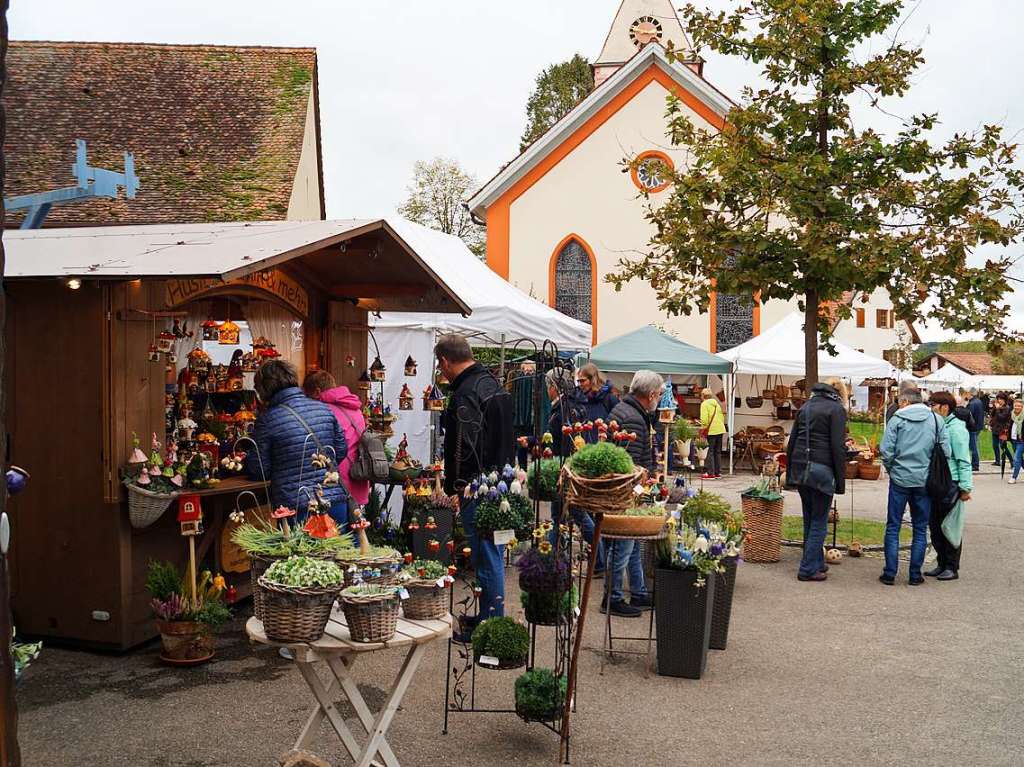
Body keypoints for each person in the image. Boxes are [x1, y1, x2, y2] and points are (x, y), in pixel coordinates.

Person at [435, 334, 513, 623]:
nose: (441, 372)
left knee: (487, 556)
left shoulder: (467, 391)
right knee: (492, 553)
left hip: (478, 487)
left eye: (440, 365)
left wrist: (457, 484)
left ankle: (490, 623)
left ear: (445, 360)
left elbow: (464, 447)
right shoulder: (493, 385)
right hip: (500, 482)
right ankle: (488, 616)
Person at [246, 359, 349, 524]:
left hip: (296, 506)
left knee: (301, 550)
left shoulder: (267, 420)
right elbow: (341, 451)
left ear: (264, 389)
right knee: (338, 550)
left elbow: (259, 470)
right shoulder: (324, 409)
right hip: (335, 499)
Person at [604, 370, 663, 617]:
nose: (659, 398)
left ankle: (638, 591)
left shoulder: (626, 410)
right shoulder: (633, 419)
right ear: (650, 395)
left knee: (632, 544)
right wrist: (644, 487)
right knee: (623, 545)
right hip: (625, 491)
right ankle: (613, 598)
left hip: (624, 489)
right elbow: (630, 464)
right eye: (659, 394)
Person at [879, 388, 950, 585]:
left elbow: (886, 450)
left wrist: (893, 469)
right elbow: (946, 450)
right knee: (920, 528)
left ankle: (890, 573)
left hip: (900, 478)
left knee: (893, 526)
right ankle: (915, 574)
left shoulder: (897, 420)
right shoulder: (936, 420)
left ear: (904, 402)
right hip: (924, 480)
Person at [784, 378, 848, 582]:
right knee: (820, 521)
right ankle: (807, 569)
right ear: (840, 394)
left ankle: (815, 561)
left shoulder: (806, 407)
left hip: (802, 468)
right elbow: (837, 447)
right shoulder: (836, 409)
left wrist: (791, 471)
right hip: (822, 470)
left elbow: (792, 441)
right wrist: (840, 480)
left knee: (810, 519)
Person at [546, 366, 605, 572]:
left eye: (548, 386)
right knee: (561, 515)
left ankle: (599, 559)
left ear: (555, 387)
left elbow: (566, 438)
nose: (547, 391)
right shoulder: (573, 403)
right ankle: (553, 557)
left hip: (567, 469)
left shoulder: (565, 407)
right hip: (568, 467)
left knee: (575, 514)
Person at [302, 370, 370, 507]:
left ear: (316, 391)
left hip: (337, 481)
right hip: (359, 474)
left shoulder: (323, 410)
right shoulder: (354, 407)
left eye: (307, 396)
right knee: (357, 524)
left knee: (336, 527)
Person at [927, 391, 972, 580]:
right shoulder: (939, 426)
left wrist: (965, 487)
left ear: (944, 407)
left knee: (949, 526)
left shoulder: (956, 429)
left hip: (951, 483)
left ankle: (952, 567)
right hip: (937, 481)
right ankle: (941, 562)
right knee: (935, 524)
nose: (931, 409)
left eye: (934, 405)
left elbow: (963, 460)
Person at [699, 388, 726, 479]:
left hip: (712, 430)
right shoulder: (716, 404)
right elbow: (722, 417)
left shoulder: (704, 404)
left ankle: (710, 473)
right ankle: (718, 472)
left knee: (710, 452)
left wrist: (703, 428)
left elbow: (704, 419)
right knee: (717, 452)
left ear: (703, 396)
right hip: (720, 429)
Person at [989, 393, 1011, 467]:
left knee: (1003, 446)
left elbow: (1002, 418)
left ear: (1005, 400)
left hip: (1003, 431)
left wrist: (998, 409)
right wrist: (994, 408)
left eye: (1001, 399)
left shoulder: (1007, 408)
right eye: (998, 399)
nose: (999, 400)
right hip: (995, 429)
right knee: (995, 445)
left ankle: (1012, 461)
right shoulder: (997, 406)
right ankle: (997, 461)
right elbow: (992, 415)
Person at [965, 387, 985, 471]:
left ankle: (975, 465)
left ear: (970, 394)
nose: (966, 395)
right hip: (978, 426)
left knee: (973, 446)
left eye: (967, 393)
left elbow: (968, 415)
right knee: (974, 445)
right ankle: (975, 463)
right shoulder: (978, 401)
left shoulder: (972, 403)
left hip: (973, 427)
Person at [1008, 398, 1024, 484]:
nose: (1017, 407)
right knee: (1020, 459)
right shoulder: (1012, 415)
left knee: (1016, 458)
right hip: (1013, 439)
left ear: (1022, 407)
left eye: (1019, 406)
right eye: (1015, 405)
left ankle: (1014, 477)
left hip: (1021, 441)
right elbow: (1010, 426)